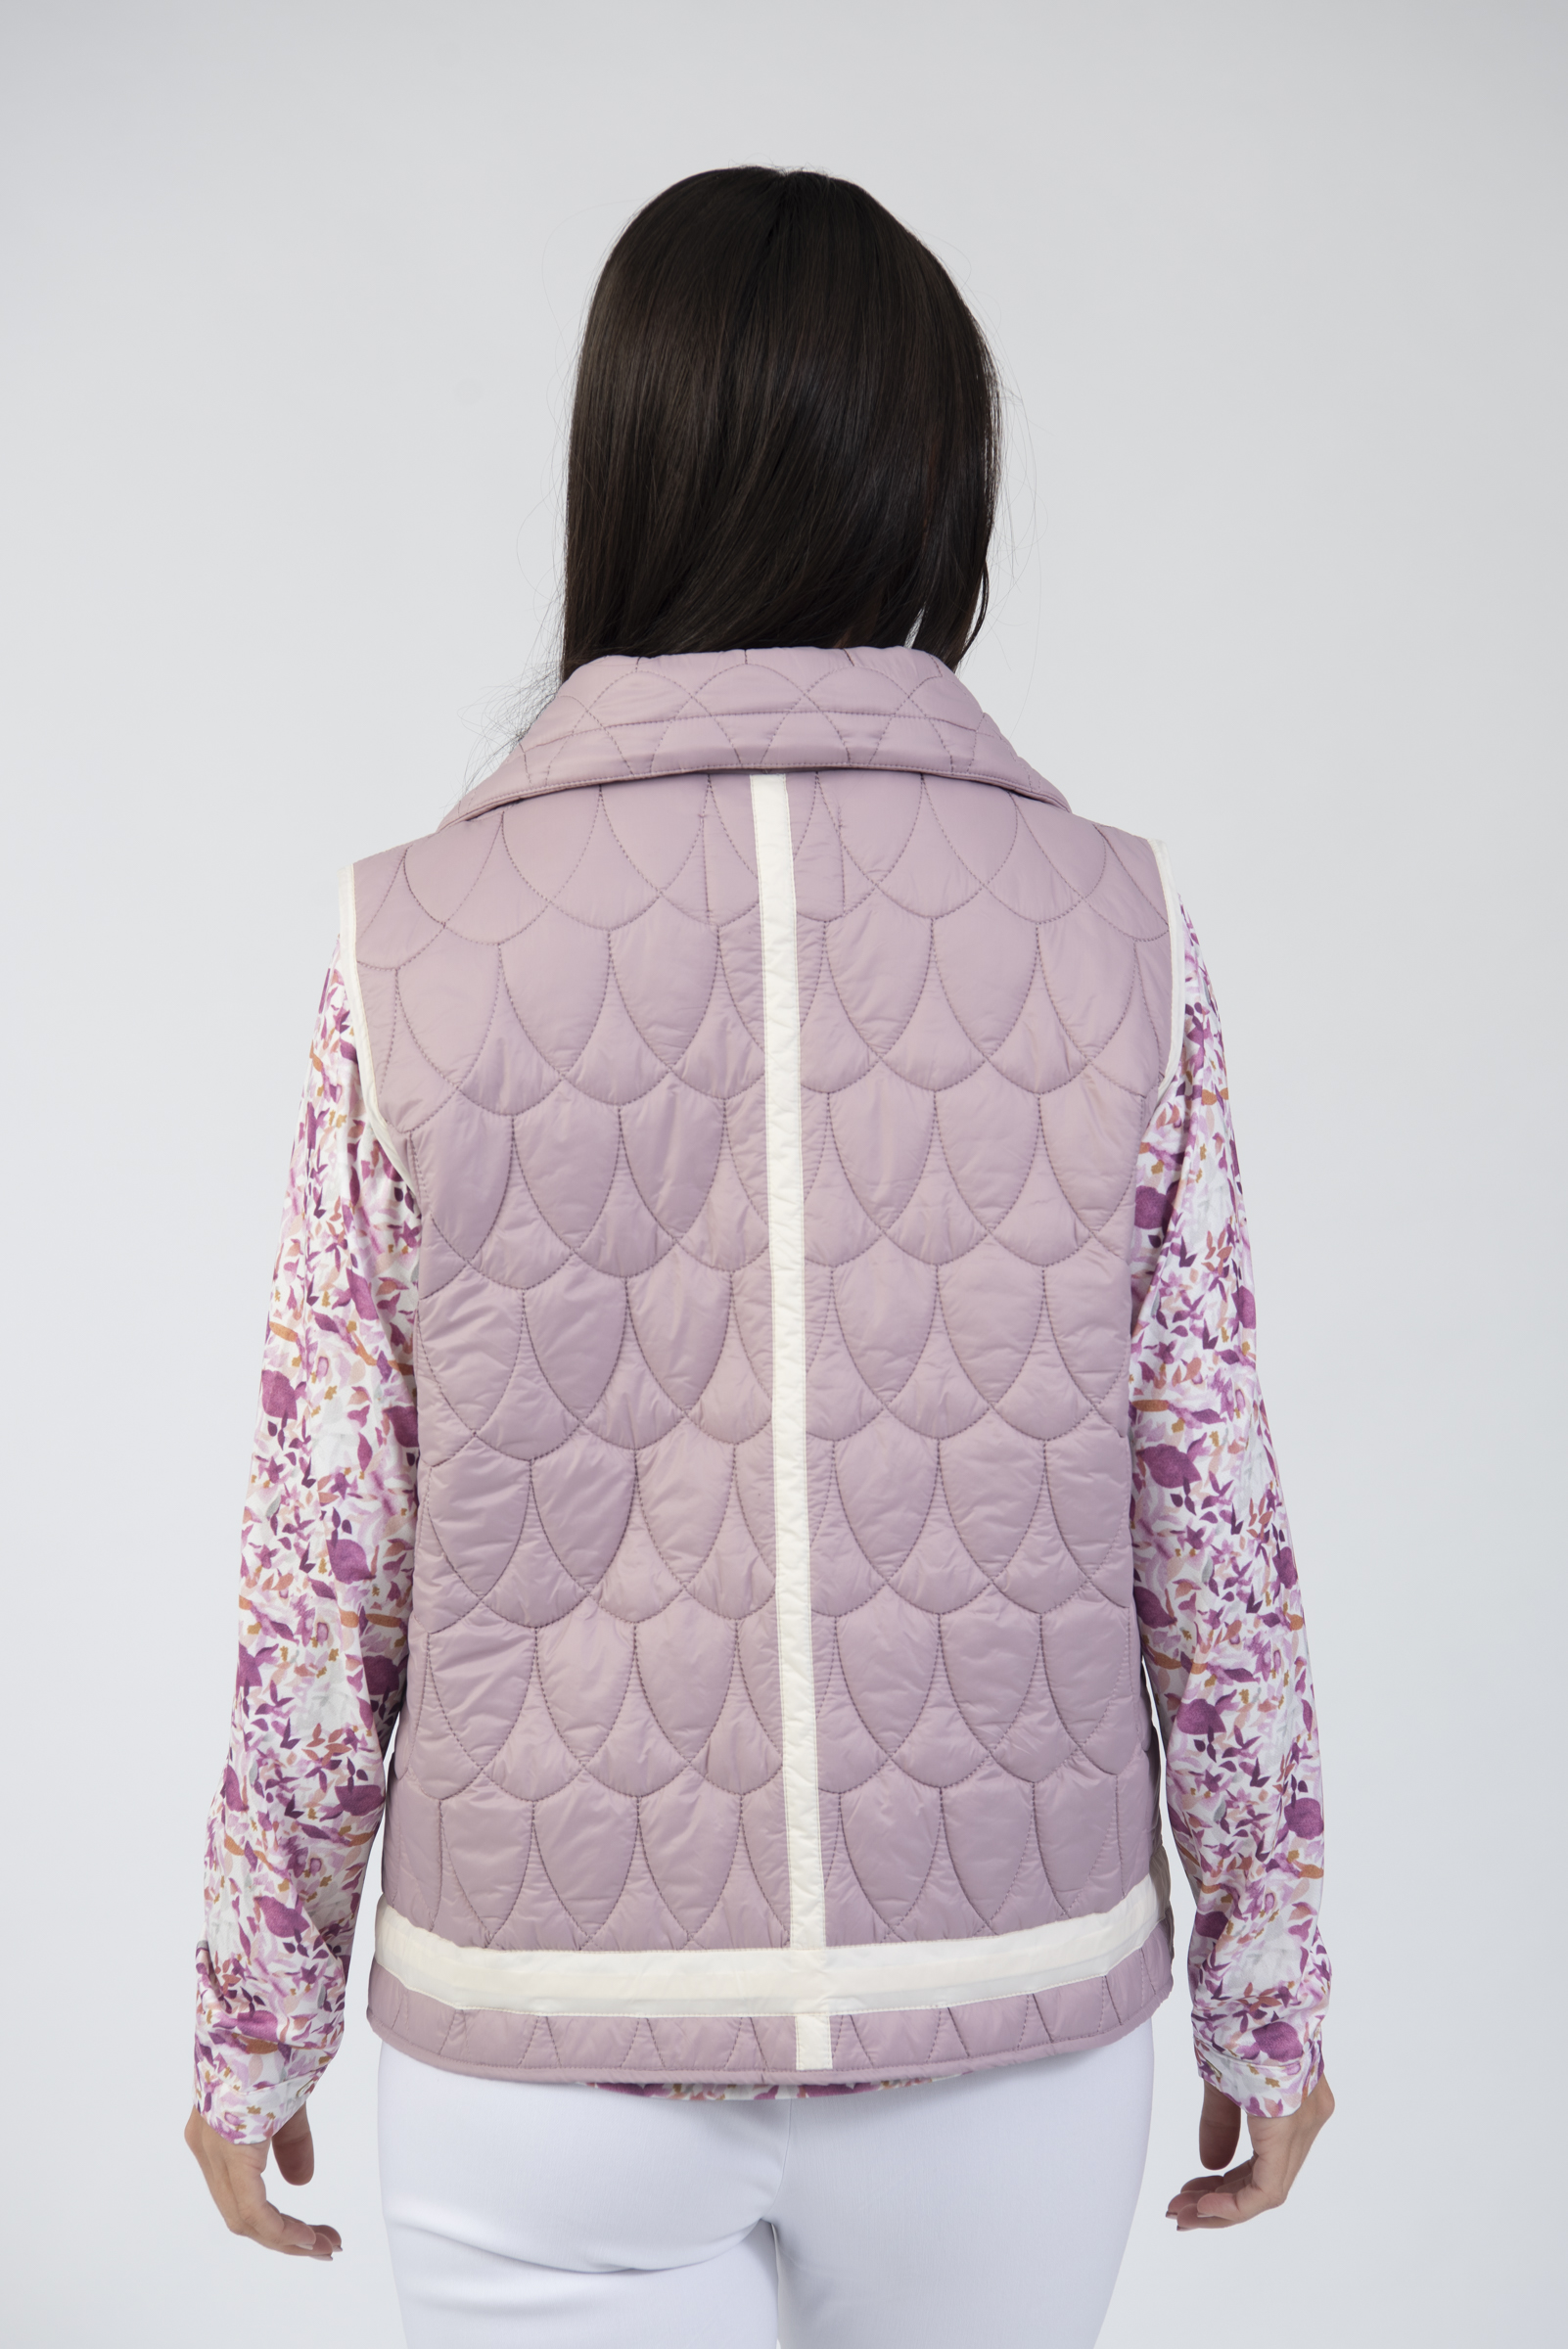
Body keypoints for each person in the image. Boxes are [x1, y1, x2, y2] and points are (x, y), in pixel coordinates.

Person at [185, 165, 1333, 2347]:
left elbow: (329, 1554)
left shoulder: (412, 944)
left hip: (542, 2030)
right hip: (1001, 2015)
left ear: (625, 466)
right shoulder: (1122, 930)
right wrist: (1267, 1988)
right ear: (935, 485)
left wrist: (257, 2018)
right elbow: (1210, 1509)